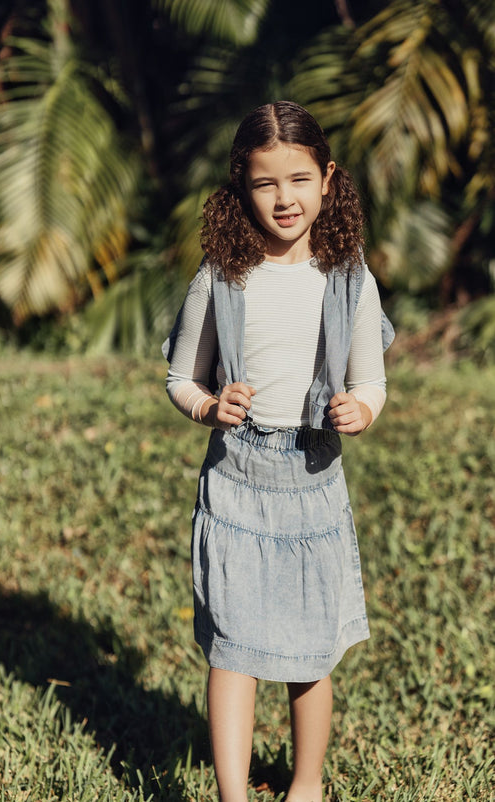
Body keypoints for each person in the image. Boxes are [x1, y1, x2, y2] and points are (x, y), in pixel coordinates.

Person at [163, 101, 394, 802]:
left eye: (298, 179)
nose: (284, 198)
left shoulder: (347, 278)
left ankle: (305, 787)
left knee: (309, 651)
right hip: (236, 479)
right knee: (232, 649)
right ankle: (232, 794)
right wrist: (206, 405)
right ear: (241, 187)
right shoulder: (222, 277)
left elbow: (369, 380)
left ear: (327, 180)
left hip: (312, 480)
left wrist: (361, 410)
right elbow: (180, 375)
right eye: (265, 183)